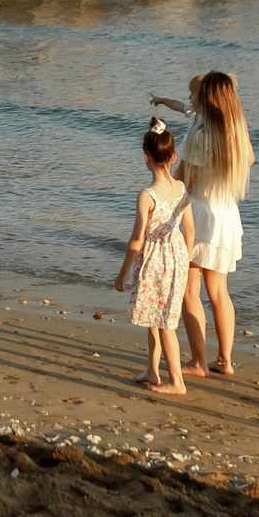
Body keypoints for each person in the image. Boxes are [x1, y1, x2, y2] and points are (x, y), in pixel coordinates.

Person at [148, 72, 255, 377]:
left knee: (189, 291)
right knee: (219, 291)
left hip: (201, 215)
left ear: (205, 98)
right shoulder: (236, 131)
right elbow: (249, 159)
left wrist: (157, 173)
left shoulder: (199, 136)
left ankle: (197, 361)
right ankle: (225, 360)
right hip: (228, 216)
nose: (191, 99)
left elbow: (182, 179)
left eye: (196, 95)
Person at [114, 119, 195, 395]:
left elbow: (137, 239)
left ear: (145, 157)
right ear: (174, 156)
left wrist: (123, 272)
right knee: (155, 315)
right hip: (177, 255)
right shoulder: (182, 188)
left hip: (155, 260)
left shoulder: (147, 196)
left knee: (163, 323)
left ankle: (177, 382)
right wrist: (186, 259)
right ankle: (152, 370)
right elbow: (190, 229)